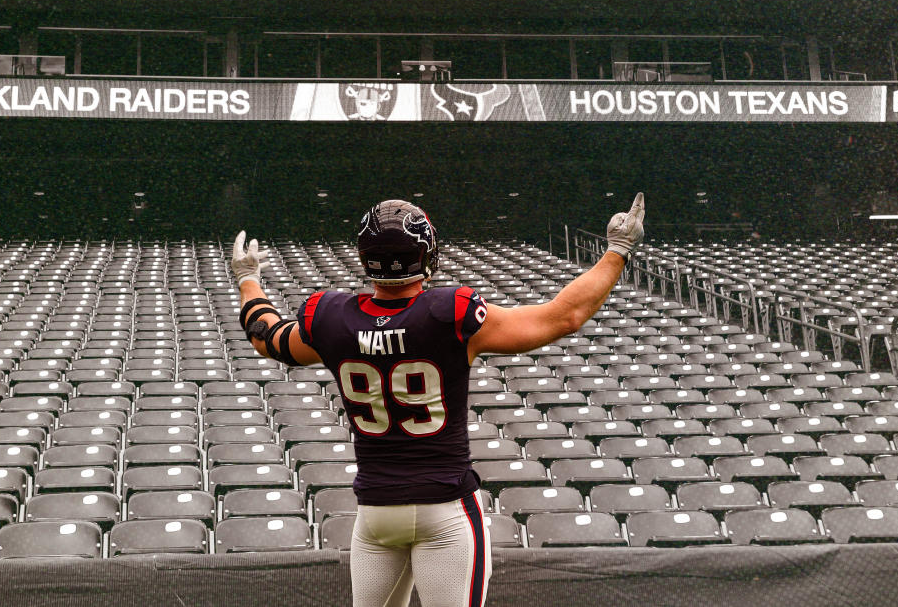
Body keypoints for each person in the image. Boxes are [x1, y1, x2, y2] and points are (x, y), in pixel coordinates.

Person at [229, 193, 645, 607]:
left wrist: (248, 277)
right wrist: (616, 253)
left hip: (376, 513)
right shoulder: (451, 313)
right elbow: (563, 317)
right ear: (425, 254)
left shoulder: (331, 318)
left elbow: (267, 337)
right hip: (444, 509)